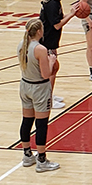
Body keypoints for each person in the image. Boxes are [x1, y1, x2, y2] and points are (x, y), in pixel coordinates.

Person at [17, 18, 60, 172]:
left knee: (27, 121)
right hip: (39, 88)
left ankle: (27, 155)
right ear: (40, 31)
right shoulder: (40, 49)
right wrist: (51, 61)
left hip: (25, 85)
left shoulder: (21, 45)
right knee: (41, 124)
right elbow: (45, 74)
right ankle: (41, 159)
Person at [40, 0, 79, 109]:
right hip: (46, 41)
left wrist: (70, 12)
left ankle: (49, 94)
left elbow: (58, 19)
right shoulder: (51, 4)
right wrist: (72, 14)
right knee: (52, 68)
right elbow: (57, 25)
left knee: (54, 68)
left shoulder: (56, 1)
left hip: (51, 40)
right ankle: (48, 99)